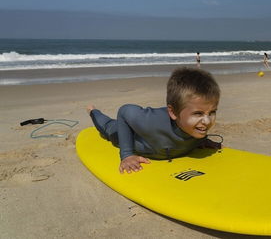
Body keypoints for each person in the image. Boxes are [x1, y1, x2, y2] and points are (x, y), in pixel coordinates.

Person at [87, 67, 221, 173]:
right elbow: (124, 111)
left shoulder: (196, 126)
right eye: (198, 113)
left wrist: (202, 140)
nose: (207, 121)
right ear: (173, 112)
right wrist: (127, 154)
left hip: (158, 144)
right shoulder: (150, 121)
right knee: (107, 127)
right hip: (126, 134)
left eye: (212, 112)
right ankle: (92, 110)